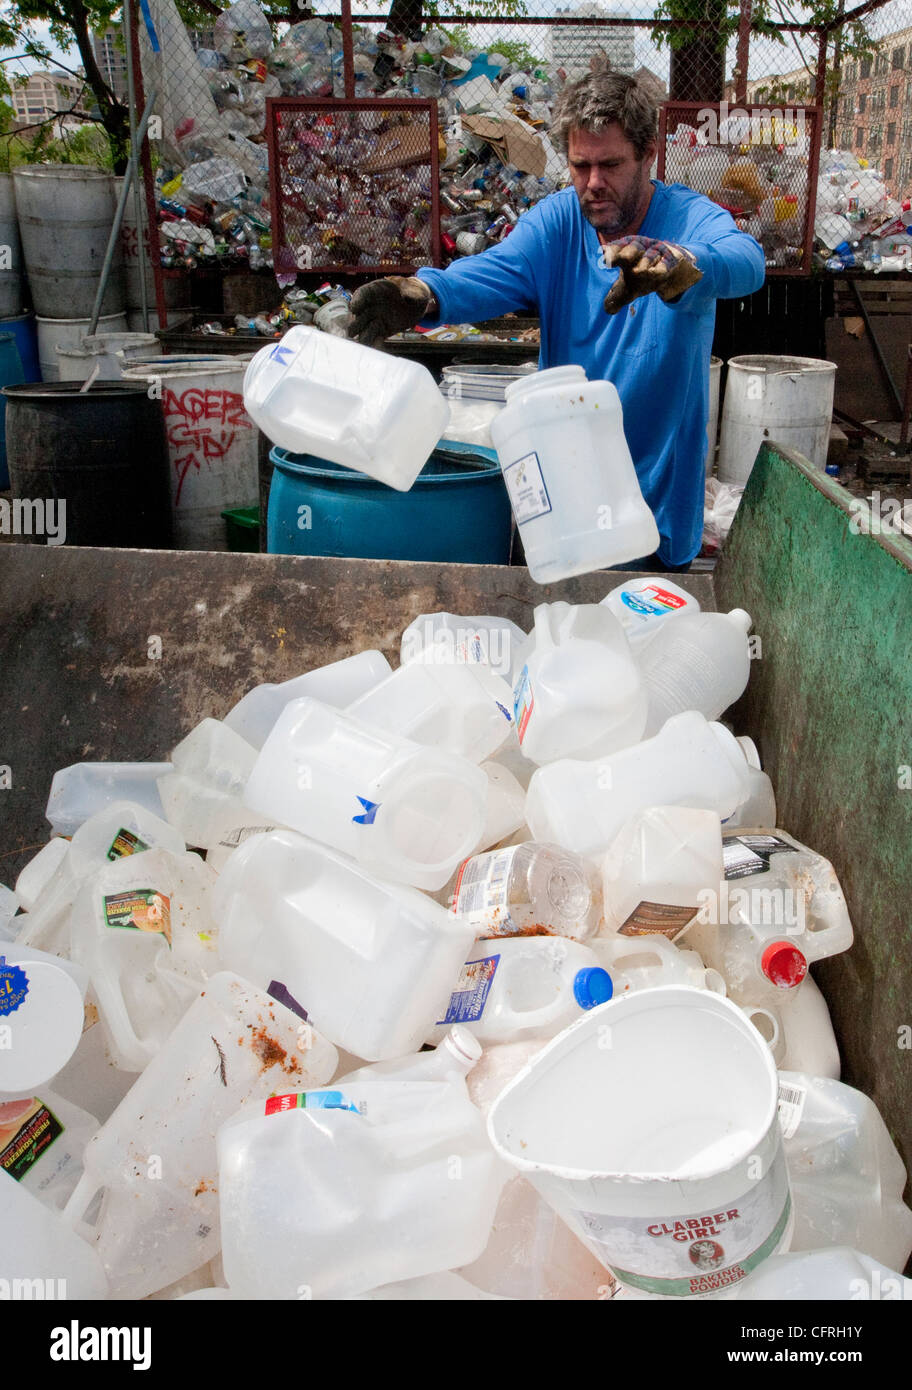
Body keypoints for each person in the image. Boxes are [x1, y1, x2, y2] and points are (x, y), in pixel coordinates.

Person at [347, 68, 766, 571]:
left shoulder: (688, 219)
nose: (593, 184)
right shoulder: (558, 223)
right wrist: (424, 292)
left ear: (648, 155)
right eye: (579, 165)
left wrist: (680, 263)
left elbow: (745, 260)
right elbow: (493, 270)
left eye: (610, 164)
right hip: (561, 505)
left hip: (653, 514)